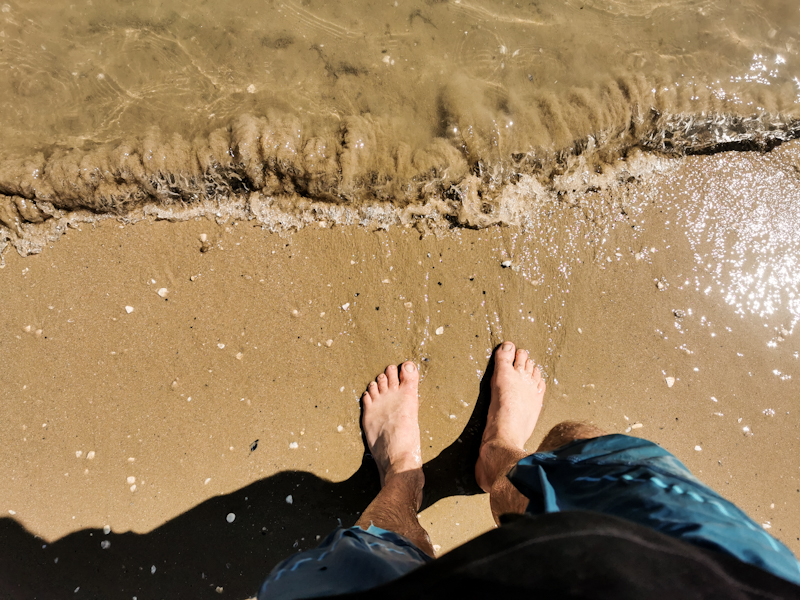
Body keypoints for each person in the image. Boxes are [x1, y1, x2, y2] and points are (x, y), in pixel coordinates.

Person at [258, 342, 800, 599]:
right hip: (733, 579)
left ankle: (403, 475)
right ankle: (499, 452)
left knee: (373, 564)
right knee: (582, 447)